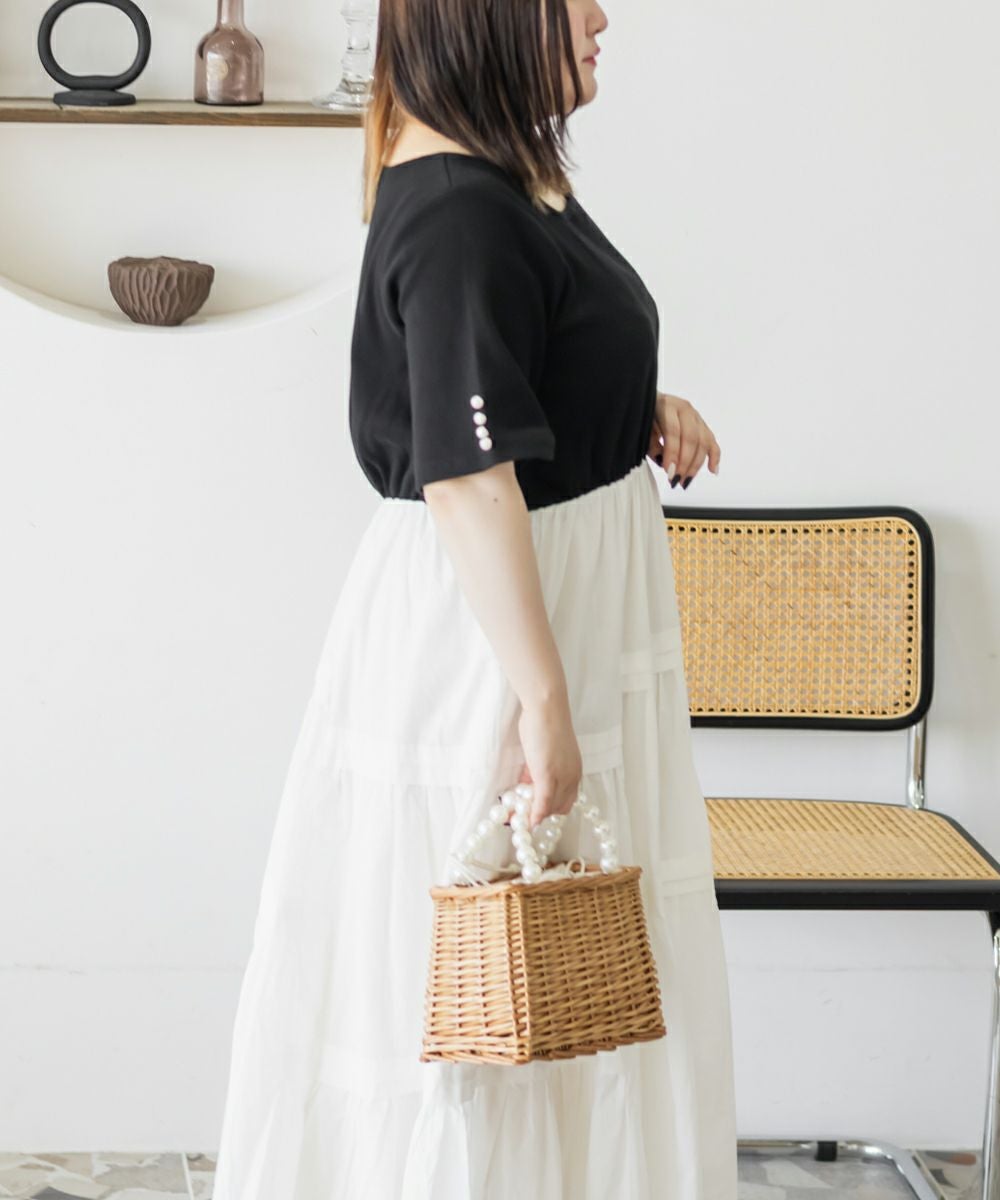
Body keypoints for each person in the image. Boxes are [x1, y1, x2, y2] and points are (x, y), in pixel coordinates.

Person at [210, 0, 738, 1195]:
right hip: (496, 636)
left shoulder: (502, 178)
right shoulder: (459, 207)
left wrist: (631, 407)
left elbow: (509, 373)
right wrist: (539, 703)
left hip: (545, 605)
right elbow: (463, 475)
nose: (601, 17)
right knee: (489, 992)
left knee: (550, 979)